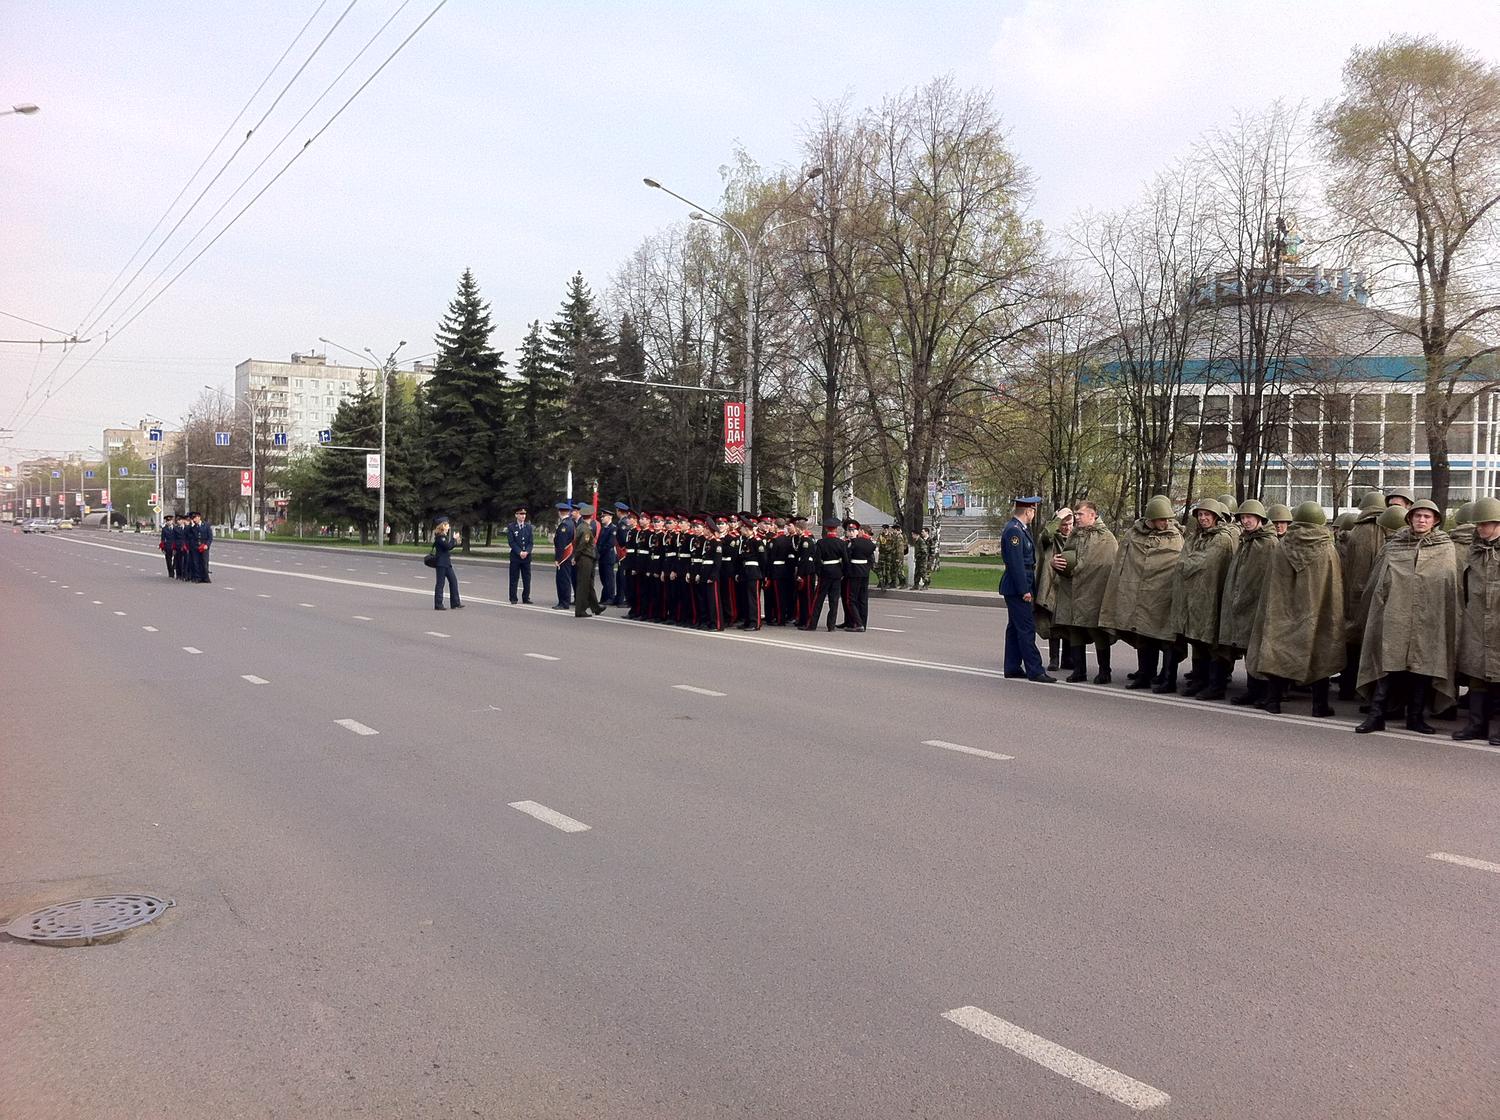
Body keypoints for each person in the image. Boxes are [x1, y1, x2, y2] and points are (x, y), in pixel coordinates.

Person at [1355, 499, 1459, 734]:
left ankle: (1415, 717)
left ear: (1435, 521)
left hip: (1429, 617)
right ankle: (1376, 715)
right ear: (1409, 518)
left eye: (1427, 517)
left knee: (1423, 668)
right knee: (1387, 665)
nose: (1421, 520)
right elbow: (1379, 583)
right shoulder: (1395, 545)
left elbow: (1449, 588)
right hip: (1395, 614)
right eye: (1417, 515)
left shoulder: (1445, 547)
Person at [1246, 501, 1344, 716]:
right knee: (1320, 650)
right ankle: (1319, 706)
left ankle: (1273, 701)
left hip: (1281, 609)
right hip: (1315, 612)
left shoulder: (1282, 545)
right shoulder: (1327, 548)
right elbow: (1332, 587)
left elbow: (1272, 580)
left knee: (1277, 649)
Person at [1098, 495, 1183, 691]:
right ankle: (1145, 675)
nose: (1166, 522)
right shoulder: (1133, 535)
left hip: (1165, 596)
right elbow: (1122, 563)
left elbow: (1178, 564)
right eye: (1162, 519)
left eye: (1168, 519)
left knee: (1167, 637)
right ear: (1151, 519)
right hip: (1140, 594)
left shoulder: (1175, 537)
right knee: (1144, 635)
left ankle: (1168, 678)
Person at [1217, 499, 1279, 705]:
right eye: (1243, 517)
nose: (1246, 521)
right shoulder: (1246, 541)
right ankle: (1253, 690)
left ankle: (1263, 692)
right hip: (1242, 601)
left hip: (1259, 603)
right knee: (1246, 648)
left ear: (1260, 519)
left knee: (1258, 650)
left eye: (1249, 517)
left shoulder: (1269, 543)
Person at [1175, 498, 1235, 699]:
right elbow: (1182, 560)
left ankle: (1216, 685)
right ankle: (1199, 680)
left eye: (1207, 514)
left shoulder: (1222, 539)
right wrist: (1187, 563)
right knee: (1196, 640)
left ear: (1216, 517)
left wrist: (1187, 563)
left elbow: (1204, 562)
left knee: (1213, 643)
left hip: (1213, 596)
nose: (1203, 518)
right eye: (1200, 515)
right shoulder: (1194, 537)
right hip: (1194, 596)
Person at [1053, 500, 1117, 683]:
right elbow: (1066, 557)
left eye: (1080, 514)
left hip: (1095, 591)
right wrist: (1056, 564)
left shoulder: (1106, 537)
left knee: (1097, 631)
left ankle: (1105, 671)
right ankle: (1079, 670)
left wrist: (1079, 567)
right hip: (1073, 590)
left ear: (1093, 515)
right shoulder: (1075, 535)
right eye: (1076, 514)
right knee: (1075, 630)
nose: (1077, 518)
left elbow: (1106, 564)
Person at [1454, 497, 1500, 743]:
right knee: (1476, 674)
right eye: (1479, 524)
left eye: (1485, 523)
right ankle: (1476, 726)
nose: (1480, 528)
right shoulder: (1475, 551)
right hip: (1477, 619)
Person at [1337, 491, 1388, 699]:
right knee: (1375, 642)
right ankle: (1371, 691)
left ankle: (1347, 687)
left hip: (1353, 595)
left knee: (1352, 640)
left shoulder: (1356, 532)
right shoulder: (1388, 530)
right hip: (1379, 594)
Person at [999, 496, 1054, 682]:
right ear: (1028, 511)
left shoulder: (1020, 529)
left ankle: (1012, 667)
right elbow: (1016, 564)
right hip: (1017, 588)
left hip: (1019, 585)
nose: (1033, 515)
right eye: (1033, 511)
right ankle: (1035, 670)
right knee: (1026, 629)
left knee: (1015, 628)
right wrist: (1024, 590)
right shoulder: (1014, 531)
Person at [1034, 508, 1073, 672]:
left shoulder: (1077, 538)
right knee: (1054, 623)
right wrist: (1059, 517)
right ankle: (1054, 659)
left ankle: (1068, 659)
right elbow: (1044, 536)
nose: (1067, 528)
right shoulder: (1051, 539)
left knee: (1069, 623)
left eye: (1070, 524)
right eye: (1064, 524)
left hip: (1070, 586)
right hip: (1053, 586)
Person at [803, 517, 849, 631]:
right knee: (834, 601)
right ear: (836, 529)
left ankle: (812, 624)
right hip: (837, 573)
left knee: (818, 600)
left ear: (827, 529)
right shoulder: (841, 543)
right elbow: (846, 560)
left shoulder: (821, 542)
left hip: (825, 573)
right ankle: (831, 625)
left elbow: (817, 560)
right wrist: (843, 572)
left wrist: (819, 573)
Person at [842, 519, 874, 632]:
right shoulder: (870, 544)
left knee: (851, 599)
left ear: (860, 531)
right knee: (863, 599)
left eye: (855, 530)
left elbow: (847, 558)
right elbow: (870, 560)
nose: (852, 532)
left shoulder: (854, 543)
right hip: (864, 572)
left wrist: (847, 571)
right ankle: (861, 623)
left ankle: (858, 623)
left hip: (854, 573)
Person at [573, 512, 606, 617]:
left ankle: (595, 606)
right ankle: (580, 610)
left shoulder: (581, 526)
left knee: (588, 583)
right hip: (585, 558)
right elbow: (582, 545)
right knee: (583, 585)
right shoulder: (586, 529)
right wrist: (576, 557)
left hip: (587, 558)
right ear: (591, 517)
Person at [431, 515, 462, 610]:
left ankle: (455, 603)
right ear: (443, 526)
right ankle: (438, 604)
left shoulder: (443, 536)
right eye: (447, 524)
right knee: (440, 584)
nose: (449, 526)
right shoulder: (440, 537)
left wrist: (455, 541)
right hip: (441, 564)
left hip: (447, 563)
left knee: (453, 581)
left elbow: (449, 547)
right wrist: (453, 539)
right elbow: (448, 546)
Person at [506, 505, 533, 604]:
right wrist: (519, 552)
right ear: (516, 515)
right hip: (516, 557)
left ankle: (526, 597)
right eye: (521, 514)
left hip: (526, 557)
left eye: (524, 514)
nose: (523, 516)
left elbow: (531, 542)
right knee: (514, 578)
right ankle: (513, 598)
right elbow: (511, 542)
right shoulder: (511, 527)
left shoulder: (528, 527)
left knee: (527, 578)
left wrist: (527, 552)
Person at [552, 501, 574, 610]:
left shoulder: (564, 525)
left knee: (562, 580)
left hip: (564, 556)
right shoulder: (570, 523)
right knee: (565, 579)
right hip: (568, 556)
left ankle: (563, 602)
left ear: (560, 512)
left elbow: (561, 543)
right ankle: (564, 601)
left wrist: (558, 558)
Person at [597, 507, 619, 607]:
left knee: (608, 578)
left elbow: (610, 543)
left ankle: (610, 597)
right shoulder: (603, 529)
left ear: (609, 517)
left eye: (604, 516)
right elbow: (599, 542)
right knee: (603, 578)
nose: (602, 518)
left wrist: (600, 550)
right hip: (602, 557)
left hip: (608, 556)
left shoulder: (613, 528)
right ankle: (605, 597)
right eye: (601, 517)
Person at [193, 512, 213, 583]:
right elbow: (192, 538)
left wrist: (207, 545)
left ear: (199, 517)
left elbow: (210, 537)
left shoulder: (206, 526)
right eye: (193, 518)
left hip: (204, 547)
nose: (194, 520)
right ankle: (198, 578)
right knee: (196, 563)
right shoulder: (194, 527)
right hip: (196, 547)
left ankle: (206, 577)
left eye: (195, 518)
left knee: (204, 562)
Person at [160, 513, 176, 578]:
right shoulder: (164, 529)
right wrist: (163, 548)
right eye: (167, 521)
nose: (169, 522)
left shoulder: (176, 528)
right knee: (168, 560)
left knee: (176, 560)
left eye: (170, 521)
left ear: (172, 521)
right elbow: (163, 539)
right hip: (168, 546)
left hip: (175, 546)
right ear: (166, 522)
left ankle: (174, 568)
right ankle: (171, 573)